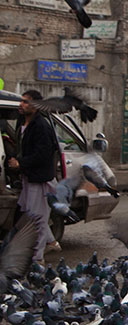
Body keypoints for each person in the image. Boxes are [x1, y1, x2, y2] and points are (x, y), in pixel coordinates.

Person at [10, 90, 59, 263]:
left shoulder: (41, 126)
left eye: (26, 102)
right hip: (29, 176)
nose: (21, 105)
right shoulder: (22, 121)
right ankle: (51, 241)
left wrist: (21, 163)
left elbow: (43, 154)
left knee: (36, 219)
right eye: (21, 101)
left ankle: (37, 259)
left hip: (39, 179)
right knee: (32, 213)